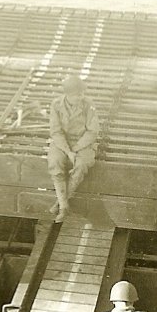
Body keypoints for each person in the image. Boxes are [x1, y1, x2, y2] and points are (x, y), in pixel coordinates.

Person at [48, 74, 100, 223]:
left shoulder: (88, 104)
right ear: (68, 95)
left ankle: (61, 204)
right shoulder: (56, 105)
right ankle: (64, 206)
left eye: (82, 94)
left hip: (83, 142)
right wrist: (68, 151)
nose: (81, 97)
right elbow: (56, 131)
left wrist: (76, 149)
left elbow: (92, 131)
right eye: (77, 95)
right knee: (55, 162)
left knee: (82, 164)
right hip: (62, 142)